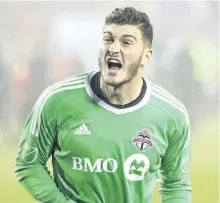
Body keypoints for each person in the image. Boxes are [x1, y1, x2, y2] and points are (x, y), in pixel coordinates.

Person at [15, 7, 192, 203]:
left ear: (146, 56)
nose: (114, 48)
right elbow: (28, 164)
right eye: (108, 39)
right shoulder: (57, 101)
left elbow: (175, 184)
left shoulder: (171, 115)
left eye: (126, 42)